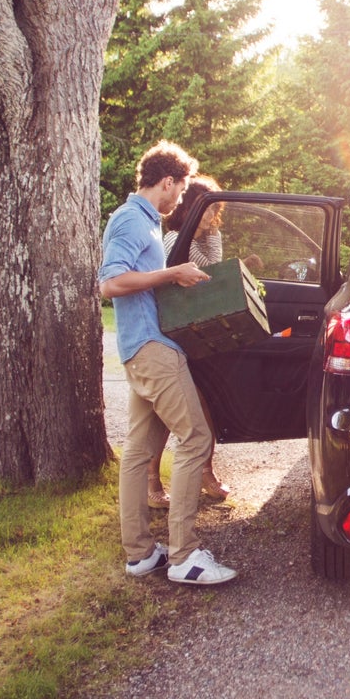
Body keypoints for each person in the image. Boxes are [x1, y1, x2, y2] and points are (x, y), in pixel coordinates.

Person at [98, 141, 237, 586]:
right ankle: (185, 557)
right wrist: (171, 274)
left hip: (142, 346)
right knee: (196, 436)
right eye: (179, 190)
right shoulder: (130, 221)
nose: (180, 200)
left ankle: (140, 554)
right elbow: (111, 283)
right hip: (152, 350)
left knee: (138, 454)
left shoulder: (146, 222)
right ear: (167, 182)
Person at [148, 174, 231, 508]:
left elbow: (215, 268)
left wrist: (211, 230)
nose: (214, 216)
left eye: (216, 209)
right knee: (165, 415)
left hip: (198, 333)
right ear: (192, 208)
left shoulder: (204, 238)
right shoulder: (174, 241)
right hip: (174, 334)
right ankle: (152, 482)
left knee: (204, 404)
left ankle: (205, 471)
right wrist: (202, 232)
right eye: (208, 209)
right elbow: (207, 273)